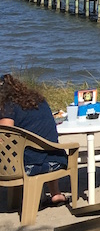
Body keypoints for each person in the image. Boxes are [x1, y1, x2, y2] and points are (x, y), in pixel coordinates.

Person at [0, 73, 70, 206]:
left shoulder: (7, 108)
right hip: (56, 160)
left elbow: (4, 136)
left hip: (27, 166)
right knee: (44, 145)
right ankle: (56, 194)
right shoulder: (39, 101)